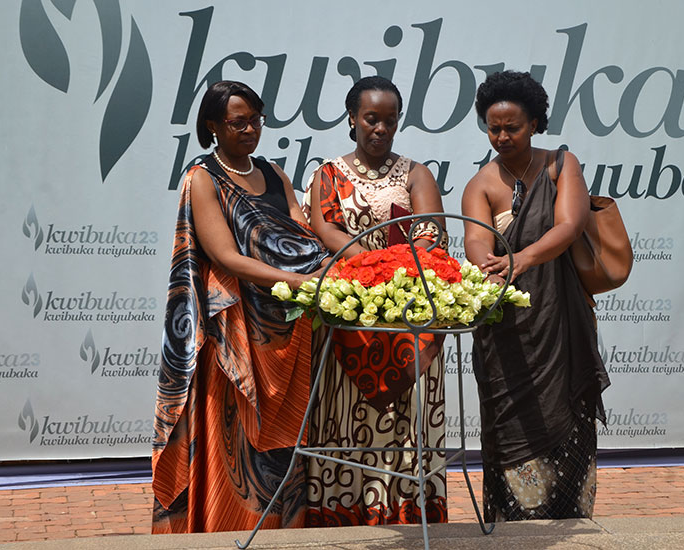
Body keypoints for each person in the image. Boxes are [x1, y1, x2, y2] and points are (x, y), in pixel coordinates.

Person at [151, 80, 329, 533]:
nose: (250, 129)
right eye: (238, 122)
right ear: (213, 126)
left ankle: (285, 539)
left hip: (289, 332)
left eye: (256, 120)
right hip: (236, 334)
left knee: (288, 440)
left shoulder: (275, 173)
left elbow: (304, 237)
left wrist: (339, 268)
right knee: (237, 443)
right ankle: (224, 533)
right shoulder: (203, 178)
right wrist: (297, 279)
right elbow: (226, 257)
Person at [461, 71, 610, 522]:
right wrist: (489, 265)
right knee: (508, 428)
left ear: (536, 124)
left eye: (513, 127)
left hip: (560, 324)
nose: (502, 136)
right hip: (505, 333)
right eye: (494, 128)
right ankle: (512, 530)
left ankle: (569, 523)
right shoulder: (481, 183)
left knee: (566, 413)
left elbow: (568, 225)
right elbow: (474, 240)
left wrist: (521, 259)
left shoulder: (562, 166)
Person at [302, 76, 448, 526]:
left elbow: (429, 232)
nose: (381, 128)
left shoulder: (416, 173)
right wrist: (371, 271)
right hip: (352, 317)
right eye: (371, 118)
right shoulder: (327, 174)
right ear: (352, 119)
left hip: (408, 319)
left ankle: (404, 515)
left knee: (406, 426)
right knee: (346, 420)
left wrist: (395, 279)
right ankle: (342, 517)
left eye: (389, 120)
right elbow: (326, 229)